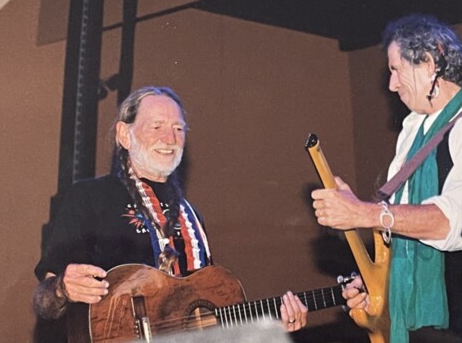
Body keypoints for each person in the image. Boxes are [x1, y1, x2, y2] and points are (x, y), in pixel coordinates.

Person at [33, 86, 308, 342]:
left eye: (179, 128)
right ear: (124, 135)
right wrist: (61, 288)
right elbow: (43, 302)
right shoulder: (89, 197)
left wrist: (270, 324)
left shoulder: (191, 217)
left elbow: (202, 317)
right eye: (157, 127)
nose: (170, 139)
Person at [311, 14, 462, 343]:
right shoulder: (412, 133)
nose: (392, 84)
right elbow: (399, 233)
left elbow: (454, 223)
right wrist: (378, 284)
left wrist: (363, 213)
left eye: (396, 69)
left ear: (431, 60)